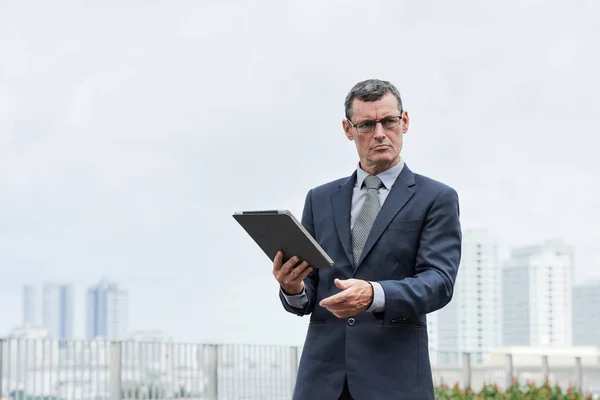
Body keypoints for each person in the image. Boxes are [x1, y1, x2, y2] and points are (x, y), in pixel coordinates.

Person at [272, 79, 462, 400]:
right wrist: (292, 289)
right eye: (366, 124)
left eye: (388, 121)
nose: (379, 133)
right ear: (348, 130)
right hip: (321, 383)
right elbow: (310, 293)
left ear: (404, 122)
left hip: (395, 381)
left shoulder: (436, 198)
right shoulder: (319, 200)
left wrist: (375, 294)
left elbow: (439, 282)